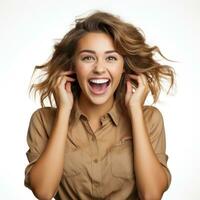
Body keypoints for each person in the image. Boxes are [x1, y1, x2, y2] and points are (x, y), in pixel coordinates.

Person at [24, 10, 175, 200]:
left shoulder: (149, 118)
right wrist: (64, 110)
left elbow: (151, 195)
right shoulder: (43, 120)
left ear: (124, 67)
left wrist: (135, 111)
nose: (99, 68)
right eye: (88, 57)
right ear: (72, 66)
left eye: (111, 58)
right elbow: (44, 191)